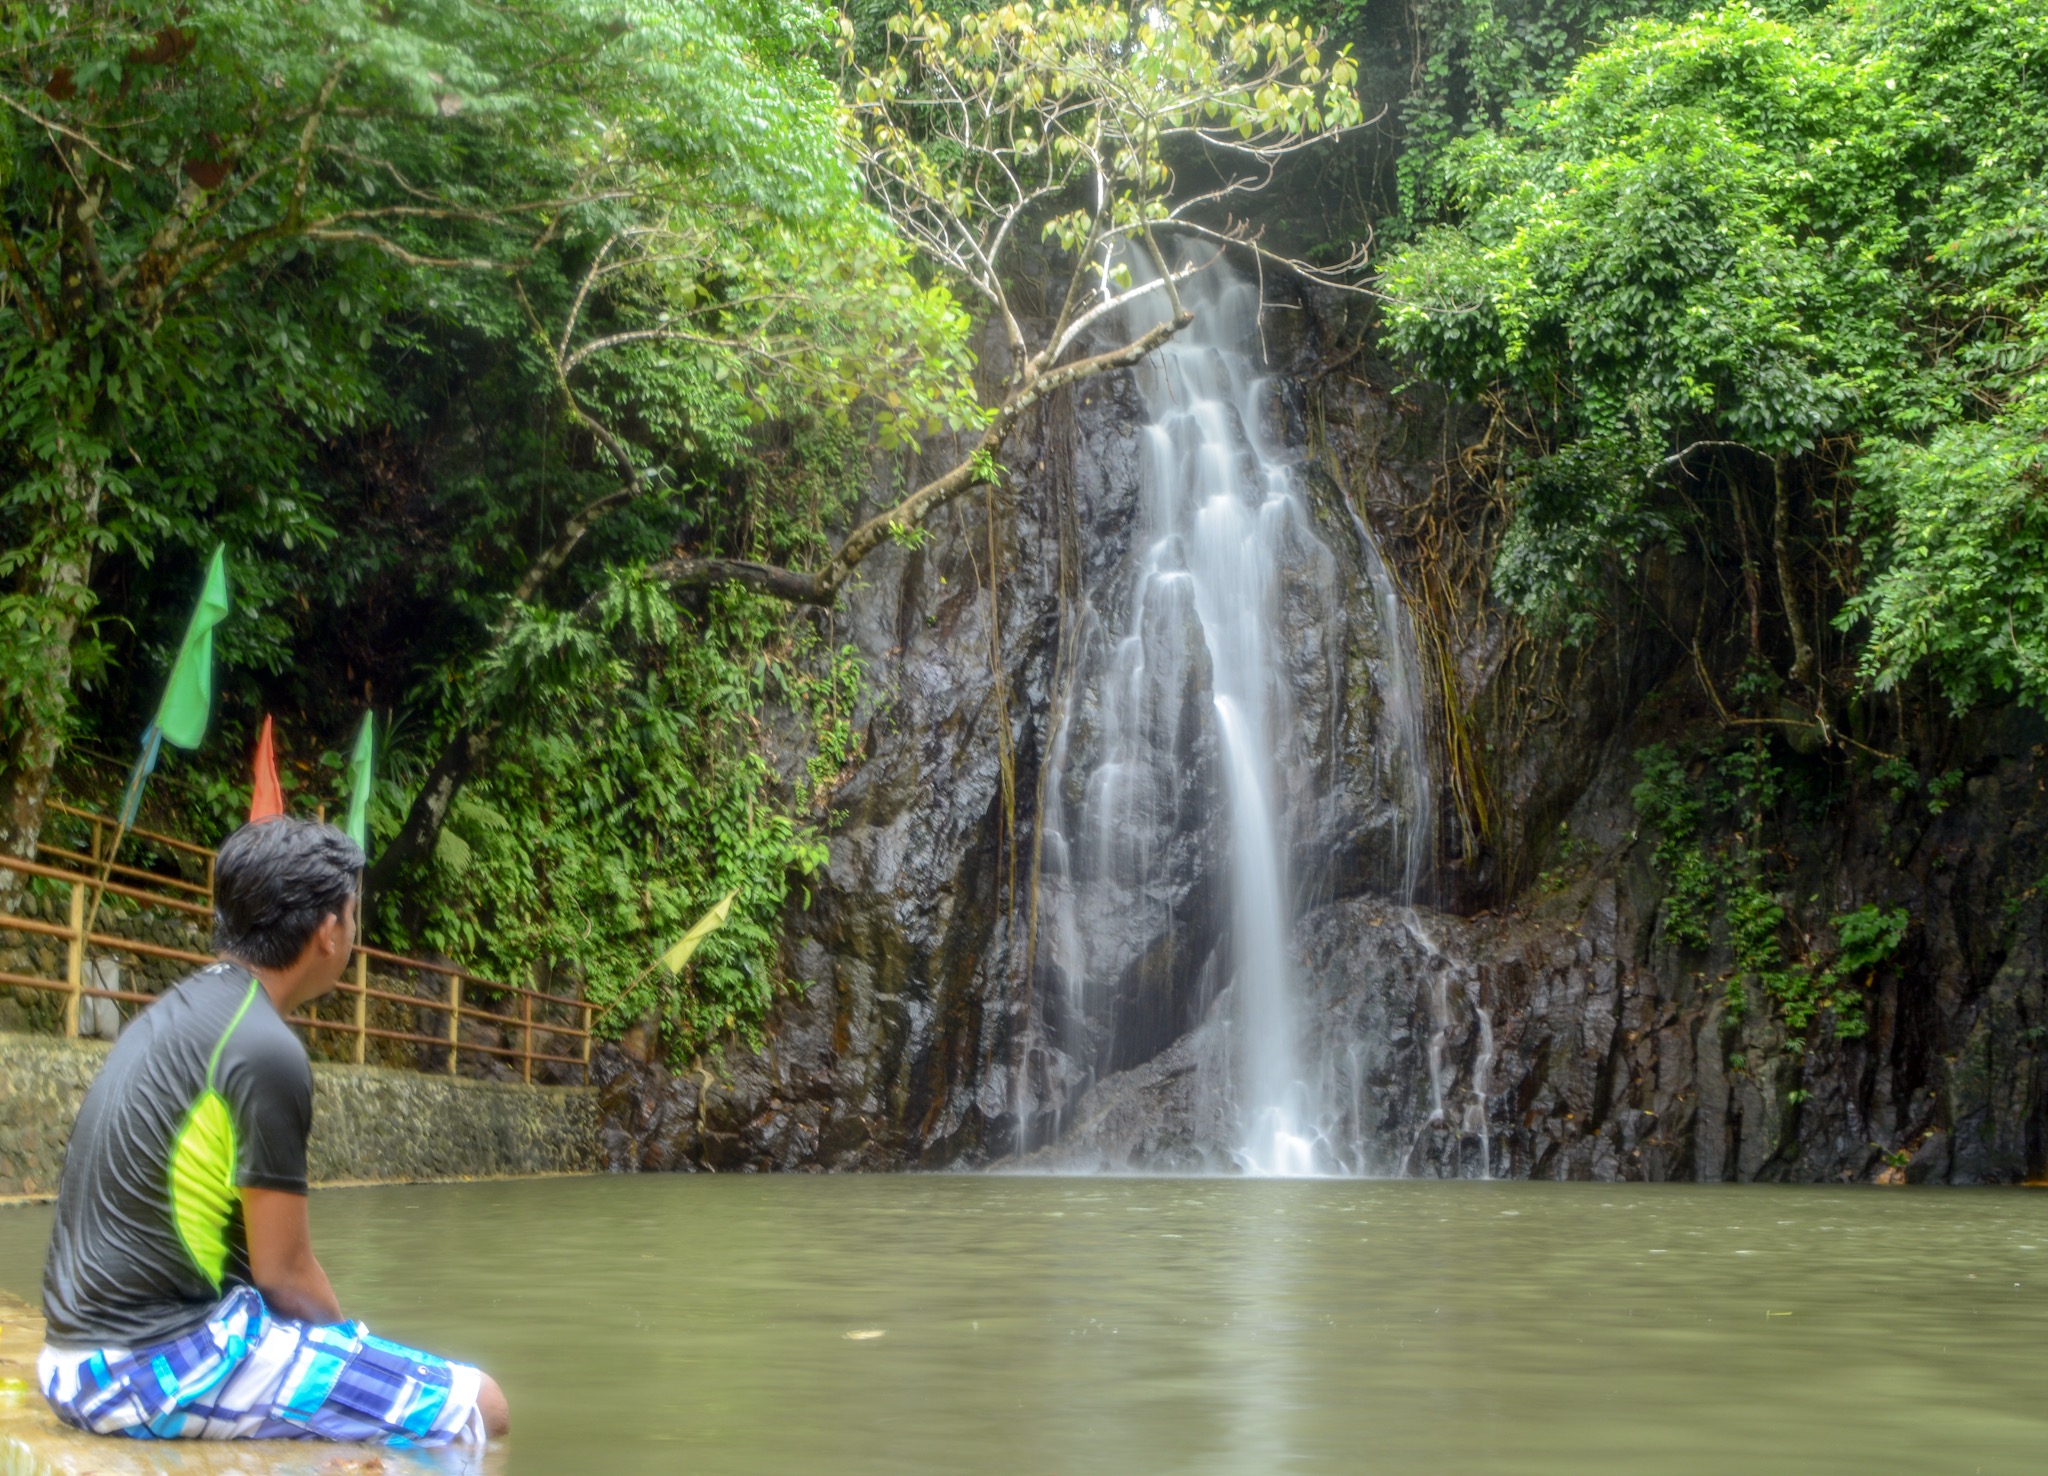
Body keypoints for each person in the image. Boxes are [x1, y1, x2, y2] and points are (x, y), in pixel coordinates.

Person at [35, 817, 510, 1446]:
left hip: (73, 1360)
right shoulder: (263, 1048)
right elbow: (284, 1273)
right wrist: (347, 1350)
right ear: (328, 931)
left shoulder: (182, 1009)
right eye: (352, 913)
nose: (354, 932)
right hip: (147, 1368)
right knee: (483, 1406)